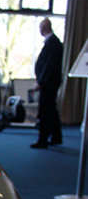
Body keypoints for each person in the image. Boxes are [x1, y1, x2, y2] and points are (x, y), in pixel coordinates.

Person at [31, 18, 63, 149]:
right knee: (51, 110)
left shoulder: (53, 43)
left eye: (40, 27)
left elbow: (49, 66)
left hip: (48, 83)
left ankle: (43, 140)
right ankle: (56, 137)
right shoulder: (53, 42)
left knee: (44, 111)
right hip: (51, 82)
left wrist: (41, 82)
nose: (39, 30)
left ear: (44, 28)